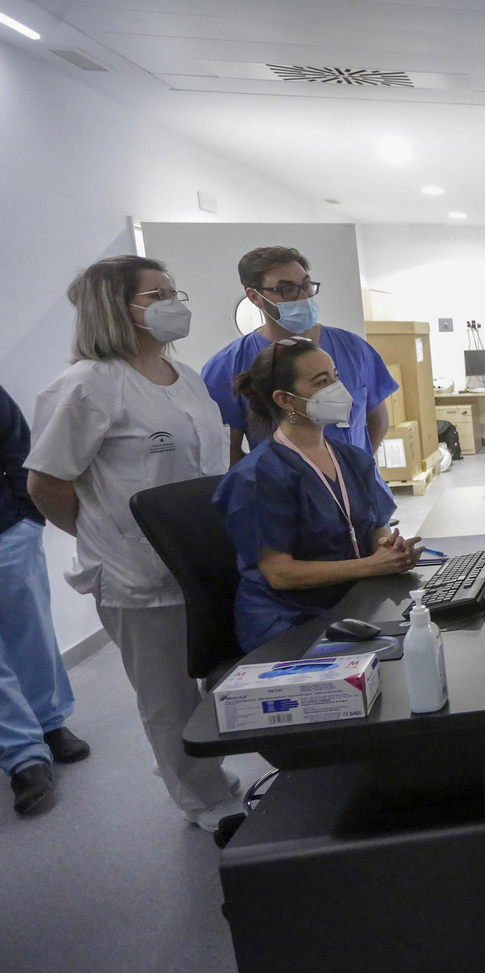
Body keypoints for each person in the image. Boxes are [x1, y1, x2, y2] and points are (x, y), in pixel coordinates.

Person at [25, 255, 242, 830]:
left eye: (175, 290)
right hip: (136, 571)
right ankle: (201, 798)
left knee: (220, 672)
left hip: (206, 561)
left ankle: (204, 769)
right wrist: (104, 535)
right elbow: (46, 482)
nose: (176, 303)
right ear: (116, 308)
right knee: (167, 694)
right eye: (158, 294)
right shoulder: (85, 386)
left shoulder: (187, 377)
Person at [214, 338, 422, 653]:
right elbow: (280, 573)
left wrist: (388, 549)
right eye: (322, 382)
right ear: (284, 399)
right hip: (290, 622)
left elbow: (373, 525)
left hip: (352, 602)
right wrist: (371, 566)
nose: (337, 388)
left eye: (335, 376)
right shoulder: (258, 476)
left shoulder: (351, 458)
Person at [202, 247, 398, 466]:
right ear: (255, 297)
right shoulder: (228, 364)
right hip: (284, 495)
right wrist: (267, 485)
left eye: (306, 285)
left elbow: (377, 419)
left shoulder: (353, 348)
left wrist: (355, 472)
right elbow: (228, 448)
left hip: (359, 492)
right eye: (286, 289)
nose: (302, 296)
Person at [1, 384, 90, 815]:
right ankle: (23, 758)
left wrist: (27, 518)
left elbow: (17, 445)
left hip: (6, 533)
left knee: (31, 634)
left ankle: (50, 722)